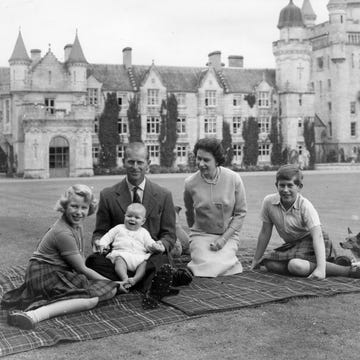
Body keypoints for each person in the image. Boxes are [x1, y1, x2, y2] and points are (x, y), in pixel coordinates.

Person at [86, 142, 192, 309]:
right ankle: (155, 282)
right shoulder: (108, 195)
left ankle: (130, 282)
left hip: (149, 258)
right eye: (131, 162)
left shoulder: (163, 195)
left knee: (161, 259)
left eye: (140, 162)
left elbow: (169, 235)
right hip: (119, 260)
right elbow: (100, 232)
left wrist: (160, 245)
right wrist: (98, 243)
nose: (135, 167)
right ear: (124, 162)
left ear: (148, 164)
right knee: (92, 261)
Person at [2, 185, 121, 330]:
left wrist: (111, 284)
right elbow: (82, 268)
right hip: (43, 273)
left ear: (89, 208)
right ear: (64, 206)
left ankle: (52, 301)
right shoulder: (62, 232)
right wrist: (114, 282)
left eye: (84, 207)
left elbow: (80, 258)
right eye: (74, 206)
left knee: (109, 290)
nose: (79, 212)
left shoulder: (77, 225)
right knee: (92, 299)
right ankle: (34, 314)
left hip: (57, 271)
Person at [251, 164, 360, 279]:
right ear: (276, 185)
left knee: (295, 265)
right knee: (268, 263)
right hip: (292, 245)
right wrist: (255, 260)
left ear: (299, 187)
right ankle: (334, 265)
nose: (285, 190)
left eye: (290, 185)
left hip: (314, 242)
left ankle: (348, 270)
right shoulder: (268, 202)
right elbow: (265, 232)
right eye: (282, 185)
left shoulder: (305, 206)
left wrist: (321, 269)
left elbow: (317, 236)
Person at [183, 138, 247, 277]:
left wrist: (224, 239)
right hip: (201, 234)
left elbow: (240, 213)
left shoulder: (234, 179)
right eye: (198, 158)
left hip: (227, 235)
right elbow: (189, 213)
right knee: (206, 262)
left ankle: (221, 263)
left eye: (206, 160)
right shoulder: (190, 183)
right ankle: (204, 259)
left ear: (217, 160)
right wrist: (195, 236)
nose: (200, 164)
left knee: (219, 263)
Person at [95, 203, 165, 288]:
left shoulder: (144, 232)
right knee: (119, 261)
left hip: (139, 257)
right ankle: (125, 278)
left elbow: (149, 243)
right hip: (122, 254)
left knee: (145, 264)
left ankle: (135, 279)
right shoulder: (119, 228)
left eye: (137, 217)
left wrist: (155, 246)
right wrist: (102, 244)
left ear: (143, 221)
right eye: (129, 216)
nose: (132, 219)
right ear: (124, 216)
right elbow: (108, 236)